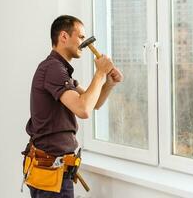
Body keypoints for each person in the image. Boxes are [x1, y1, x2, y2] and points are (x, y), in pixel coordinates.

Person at [22, 15, 123, 198]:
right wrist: (100, 72)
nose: (84, 42)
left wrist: (108, 83)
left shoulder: (60, 71)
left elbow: (94, 103)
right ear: (63, 36)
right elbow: (83, 109)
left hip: (56, 173)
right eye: (81, 37)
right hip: (51, 175)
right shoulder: (52, 69)